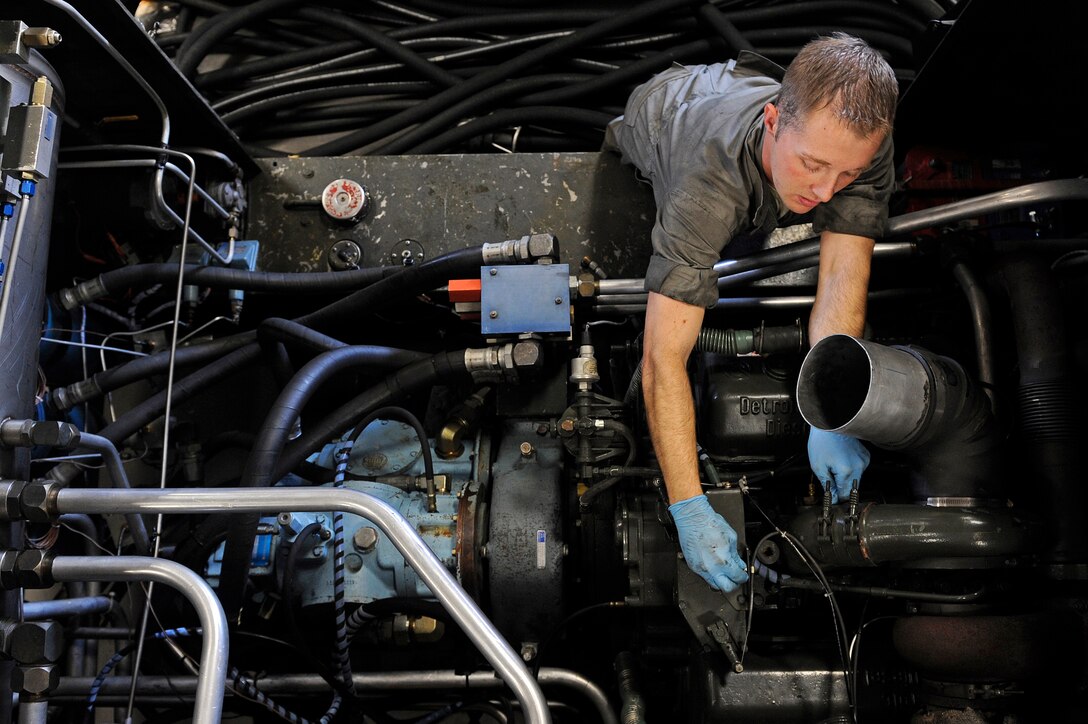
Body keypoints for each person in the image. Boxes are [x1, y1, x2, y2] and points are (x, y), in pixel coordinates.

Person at [603, 32, 898, 593]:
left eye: (846, 175)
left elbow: (842, 272)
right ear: (772, 121)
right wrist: (688, 507)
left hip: (738, 89)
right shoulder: (706, 188)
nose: (826, 188)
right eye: (812, 164)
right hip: (666, 111)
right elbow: (663, 358)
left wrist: (827, 412)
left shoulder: (862, 144)